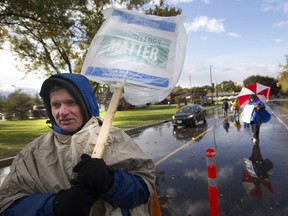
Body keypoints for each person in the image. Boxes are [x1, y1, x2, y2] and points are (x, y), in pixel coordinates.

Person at [0, 73, 156, 216]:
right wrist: (54, 206)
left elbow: (143, 189)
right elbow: (7, 204)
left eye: (71, 102)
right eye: (56, 105)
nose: (62, 111)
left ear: (85, 104)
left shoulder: (115, 138)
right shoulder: (32, 153)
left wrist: (111, 181)